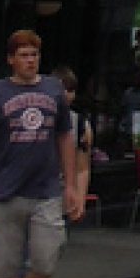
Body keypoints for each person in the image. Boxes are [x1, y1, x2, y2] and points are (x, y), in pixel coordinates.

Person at [0, 30, 84, 278]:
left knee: (46, 261)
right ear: (11, 60)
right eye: (24, 55)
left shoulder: (54, 89)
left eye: (35, 55)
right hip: (4, 190)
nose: (30, 61)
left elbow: (65, 136)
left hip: (46, 190)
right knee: (4, 271)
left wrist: (72, 185)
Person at [50, 67, 93, 216]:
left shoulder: (80, 124)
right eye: (63, 90)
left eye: (71, 90)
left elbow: (83, 168)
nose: (67, 95)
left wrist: (80, 198)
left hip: (63, 195)